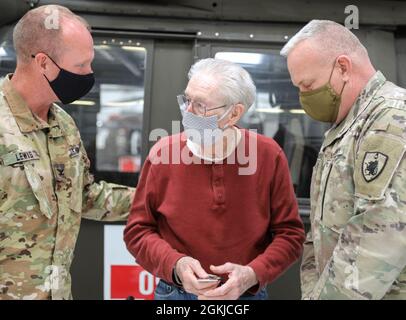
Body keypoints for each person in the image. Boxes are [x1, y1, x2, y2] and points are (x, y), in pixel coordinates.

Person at [124, 58, 305, 300]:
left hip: (245, 294)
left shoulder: (268, 155)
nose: (187, 112)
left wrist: (252, 274)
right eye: (187, 100)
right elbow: (137, 230)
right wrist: (176, 265)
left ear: (234, 114)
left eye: (200, 105)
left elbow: (290, 235)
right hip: (175, 293)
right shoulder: (163, 154)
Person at [0, 5, 135, 300]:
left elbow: (83, 195)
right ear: (44, 63)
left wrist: (157, 198)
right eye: (81, 66)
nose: (89, 75)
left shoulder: (63, 123)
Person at [280, 20, 406, 300]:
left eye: (308, 84)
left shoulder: (392, 119)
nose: (304, 96)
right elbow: (321, 228)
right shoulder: (344, 127)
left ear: (343, 67)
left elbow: (380, 236)